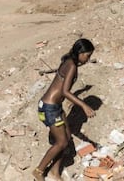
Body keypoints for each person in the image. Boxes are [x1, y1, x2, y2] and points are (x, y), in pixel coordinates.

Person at [32, 38, 96, 181]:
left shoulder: (69, 61)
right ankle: (39, 171)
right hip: (49, 109)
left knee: (66, 139)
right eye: (87, 55)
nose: (88, 59)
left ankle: (55, 173)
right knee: (61, 142)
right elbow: (65, 92)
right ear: (80, 52)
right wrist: (84, 105)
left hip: (55, 107)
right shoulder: (72, 65)